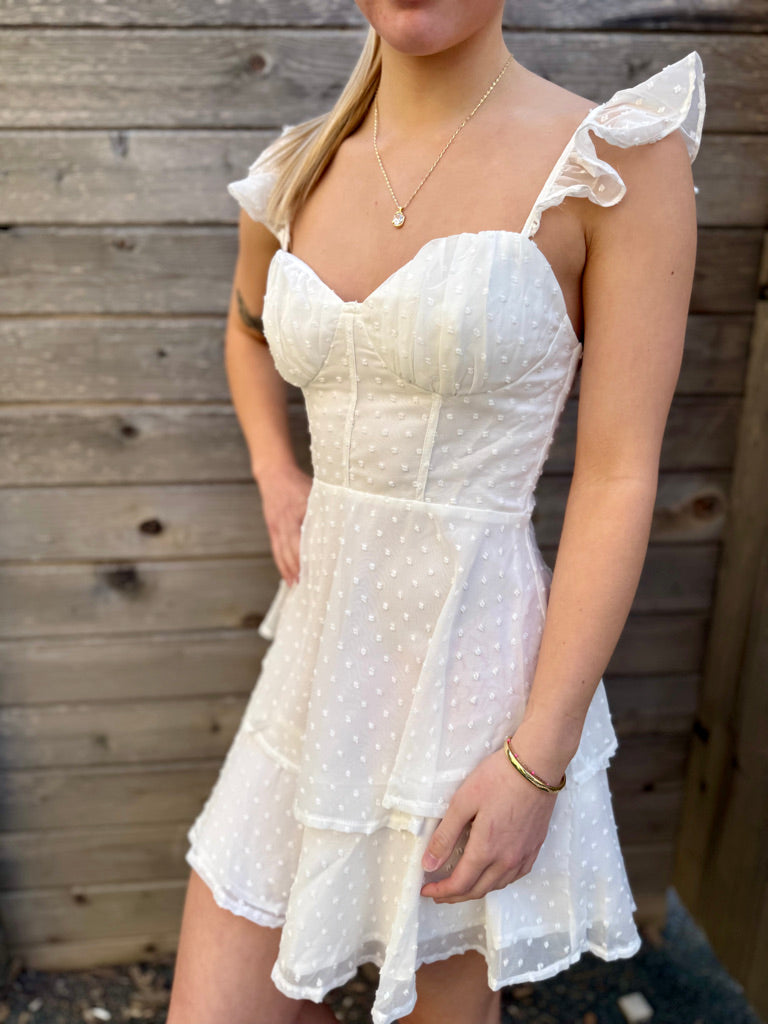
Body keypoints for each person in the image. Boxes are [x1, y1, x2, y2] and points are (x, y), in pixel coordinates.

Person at [168, 3, 706, 1022]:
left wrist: (536, 762)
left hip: (472, 688)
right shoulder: (294, 172)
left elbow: (618, 476)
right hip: (313, 676)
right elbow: (246, 331)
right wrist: (278, 473)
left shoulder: (612, 164)